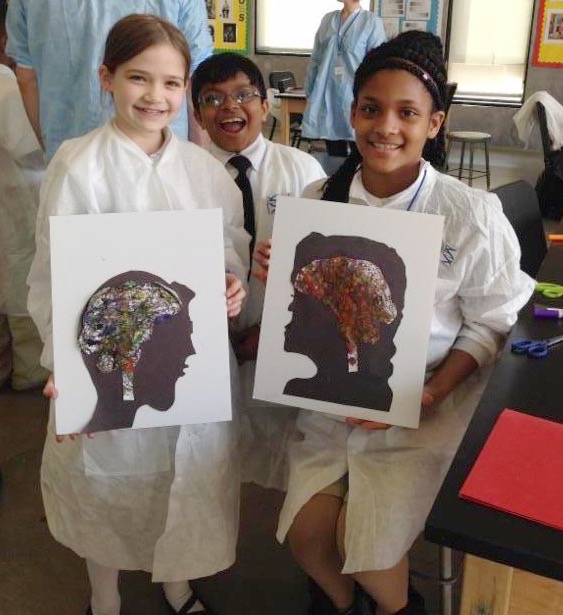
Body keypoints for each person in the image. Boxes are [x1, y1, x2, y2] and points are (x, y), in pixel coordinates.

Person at [256, 30, 535, 615]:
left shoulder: (468, 213)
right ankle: (341, 604)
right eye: (371, 109)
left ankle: (397, 607)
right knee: (307, 534)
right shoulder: (318, 199)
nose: (386, 127)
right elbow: (303, 310)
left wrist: (431, 393)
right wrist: (277, 273)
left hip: (423, 404)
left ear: (435, 123)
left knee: (368, 545)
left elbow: (491, 322)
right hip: (331, 401)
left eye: (407, 113)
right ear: (352, 113)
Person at [27, 15, 248, 615]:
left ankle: (177, 583)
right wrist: (64, 366)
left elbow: (229, 249)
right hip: (108, 365)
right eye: (138, 78)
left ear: (186, 89)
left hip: (186, 370)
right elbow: (52, 276)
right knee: (106, 484)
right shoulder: (79, 165)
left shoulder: (204, 171)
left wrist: (231, 285)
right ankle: (104, 597)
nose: (155, 96)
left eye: (172, 83)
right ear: (107, 78)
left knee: (188, 480)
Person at [191, 52, 326, 490]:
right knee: (213, 461)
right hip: (207, 345)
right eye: (213, 99)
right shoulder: (186, 177)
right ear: (197, 115)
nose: (229, 107)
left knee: (287, 451)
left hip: (281, 336)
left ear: (265, 106)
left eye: (244, 95)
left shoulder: (302, 171)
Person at [6, 0, 213, 159]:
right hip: (161, 154)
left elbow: (26, 79)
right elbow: (196, 82)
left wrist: (52, 148)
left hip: (71, 151)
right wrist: (198, 158)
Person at [0, 0, 48, 391]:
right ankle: (28, 377)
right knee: (21, 289)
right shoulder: (6, 84)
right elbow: (32, 148)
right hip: (18, 206)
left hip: (12, 206)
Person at [302, 0, 386, 157]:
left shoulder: (371, 22)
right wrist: (310, 90)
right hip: (327, 93)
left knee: (359, 148)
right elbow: (316, 59)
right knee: (334, 148)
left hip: (356, 94)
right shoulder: (328, 20)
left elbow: (377, 64)